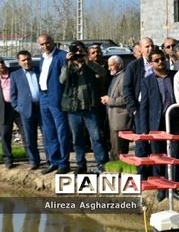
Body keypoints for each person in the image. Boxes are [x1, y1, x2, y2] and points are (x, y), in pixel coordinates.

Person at [60, 42, 108, 174]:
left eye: (80, 50)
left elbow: (103, 72)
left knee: (96, 137)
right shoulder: (69, 65)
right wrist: (69, 63)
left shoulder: (90, 64)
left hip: (90, 107)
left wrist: (88, 61)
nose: (78, 53)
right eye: (76, 51)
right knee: (77, 139)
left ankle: (101, 164)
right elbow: (62, 80)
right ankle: (81, 164)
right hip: (73, 108)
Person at [139, 48, 179, 200]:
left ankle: (174, 186)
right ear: (151, 64)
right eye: (156, 60)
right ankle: (161, 187)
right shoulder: (147, 81)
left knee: (174, 154)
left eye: (162, 59)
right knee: (158, 156)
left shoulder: (174, 76)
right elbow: (144, 106)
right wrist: (145, 131)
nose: (160, 62)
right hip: (156, 122)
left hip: (174, 120)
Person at [38, 34, 70, 175]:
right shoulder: (42, 59)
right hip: (43, 97)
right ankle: (54, 161)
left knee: (61, 131)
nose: (45, 46)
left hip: (57, 98)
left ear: (52, 42)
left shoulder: (62, 56)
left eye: (47, 43)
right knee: (49, 132)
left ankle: (64, 163)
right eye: (42, 44)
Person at [9, 51, 41, 170]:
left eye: (28, 59)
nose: (26, 62)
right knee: (29, 137)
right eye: (23, 60)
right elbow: (13, 94)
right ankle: (34, 161)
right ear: (19, 62)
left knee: (48, 135)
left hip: (42, 107)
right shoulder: (15, 75)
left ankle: (52, 160)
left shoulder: (39, 70)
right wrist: (18, 107)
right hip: (26, 109)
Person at [100, 55, 130, 160]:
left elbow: (126, 99)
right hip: (112, 119)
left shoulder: (124, 77)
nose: (109, 68)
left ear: (119, 65)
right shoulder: (115, 77)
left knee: (119, 150)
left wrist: (110, 100)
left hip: (120, 120)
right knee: (114, 149)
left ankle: (120, 172)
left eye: (111, 65)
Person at [123, 37, 154, 132]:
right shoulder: (133, 66)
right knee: (141, 139)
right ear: (141, 49)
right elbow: (127, 88)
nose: (151, 49)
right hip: (140, 107)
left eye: (152, 46)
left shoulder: (159, 63)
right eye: (147, 46)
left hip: (156, 106)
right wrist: (133, 108)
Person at [1, 57, 20, 169]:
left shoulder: (14, 72)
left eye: (1, 62)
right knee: (5, 134)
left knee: (26, 133)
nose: (0, 65)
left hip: (18, 107)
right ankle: (8, 159)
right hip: (4, 109)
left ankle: (33, 159)